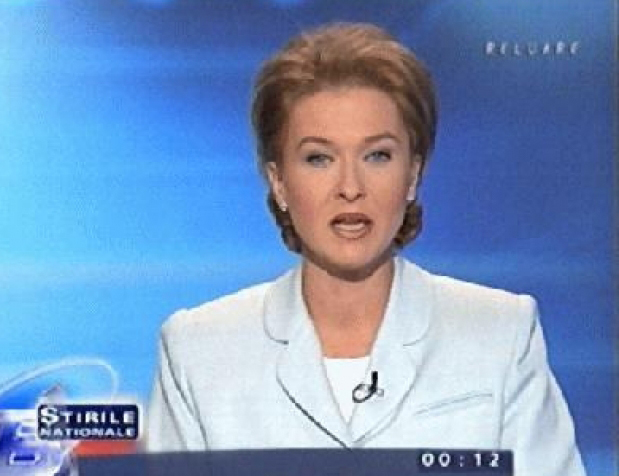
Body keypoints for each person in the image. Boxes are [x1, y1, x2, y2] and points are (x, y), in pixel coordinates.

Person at [145, 23, 586, 476]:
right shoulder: (199, 350)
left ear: (412, 174)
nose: (350, 187)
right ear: (279, 182)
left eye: (377, 155)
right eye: (319, 158)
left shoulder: (500, 333)